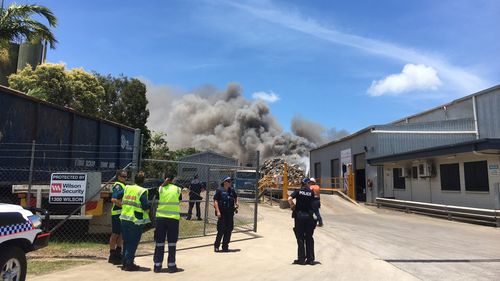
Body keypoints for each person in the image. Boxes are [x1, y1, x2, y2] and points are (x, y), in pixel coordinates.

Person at [118, 171, 150, 271]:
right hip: (135, 220)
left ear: (134, 180)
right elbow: (145, 206)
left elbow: (118, 195)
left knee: (126, 242)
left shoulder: (127, 188)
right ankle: (129, 264)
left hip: (124, 218)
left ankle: (124, 263)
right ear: (143, 181)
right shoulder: (142, 191)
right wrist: (149, 206)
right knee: (133, 243)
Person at [153, 175, 182, 273]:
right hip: (173, 219)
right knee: (172, 243)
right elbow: (179, 200)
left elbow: (157, 196)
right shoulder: (178, 189)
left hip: (161, 218)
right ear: (173, 179)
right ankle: (171, 266)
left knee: (159, 242)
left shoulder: (160, 188)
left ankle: (157, 266)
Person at [288, 177, 316, 265]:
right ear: (307, 183)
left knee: (300, 238)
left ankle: (301, 259)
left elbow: (289, 198)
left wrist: (292, 206)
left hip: (299, 217)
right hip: (309, 217)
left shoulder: (298, 191)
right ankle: (310, 259)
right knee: (309, 238)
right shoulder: (311, 192)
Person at [213, 176, 238, 252]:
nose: (230, 183)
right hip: (222, 213)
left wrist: (236, 203)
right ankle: (216, 246)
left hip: (230, 213)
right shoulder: (219, 190)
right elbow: (215, 201)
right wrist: (218, 211)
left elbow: (236, 197)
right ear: (224, 182)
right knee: (221, 230)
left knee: (229, 230)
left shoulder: (232, 191)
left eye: (231, 181)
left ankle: (225, 246)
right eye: (229, 181)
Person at [109, 169, 127, 265]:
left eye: (126, 176)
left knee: (120, 233)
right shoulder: (118, 185)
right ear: (119, 177)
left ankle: (118, 251)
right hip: (117, 213)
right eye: (123, 176)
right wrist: (122, 205)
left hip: (122, 213)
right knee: (115, 234)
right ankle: (112, 254)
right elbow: (114, 199)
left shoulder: (123, 185)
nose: (125, 178)